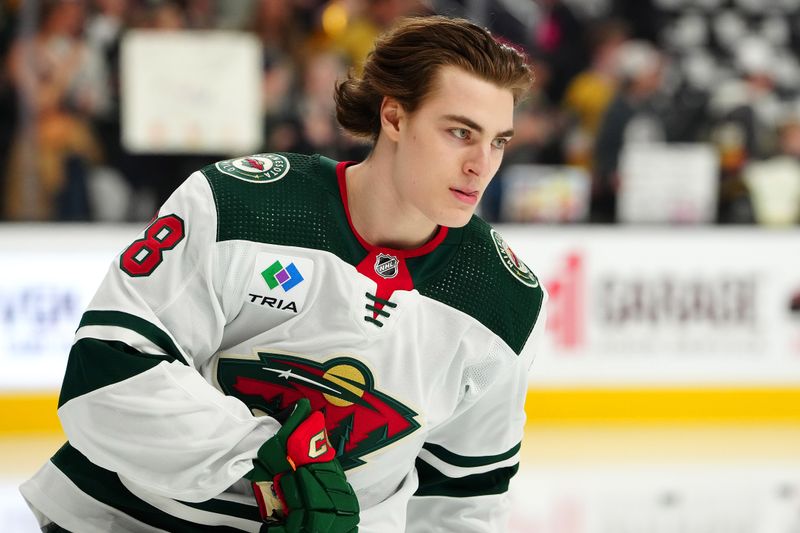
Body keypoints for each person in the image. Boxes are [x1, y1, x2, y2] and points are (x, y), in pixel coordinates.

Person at [20, 15, 548, 532]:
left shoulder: (502, 300)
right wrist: (268, 457)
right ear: (393, 117)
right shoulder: (240, 204)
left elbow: (464, 499)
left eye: (499, 140)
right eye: (461, 132)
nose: (483, 164)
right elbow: (106, 374)